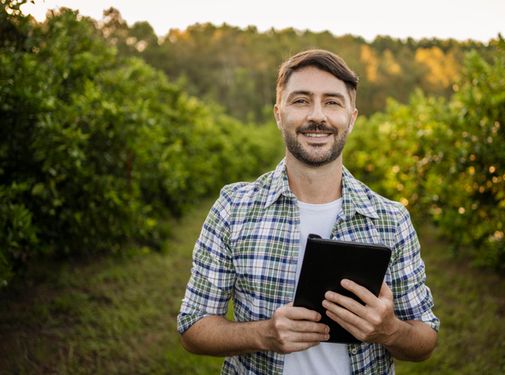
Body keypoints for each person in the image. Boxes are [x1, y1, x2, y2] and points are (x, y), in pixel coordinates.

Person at [177, 49, 439, 374]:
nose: (318, 116)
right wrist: (263, 334)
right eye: (301, 100)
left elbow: (425, 339)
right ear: (278, 113)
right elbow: (192, 327)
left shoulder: (392, 219)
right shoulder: (233, 209)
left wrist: (390, 330)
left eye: (332, 102)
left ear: (352, 118)